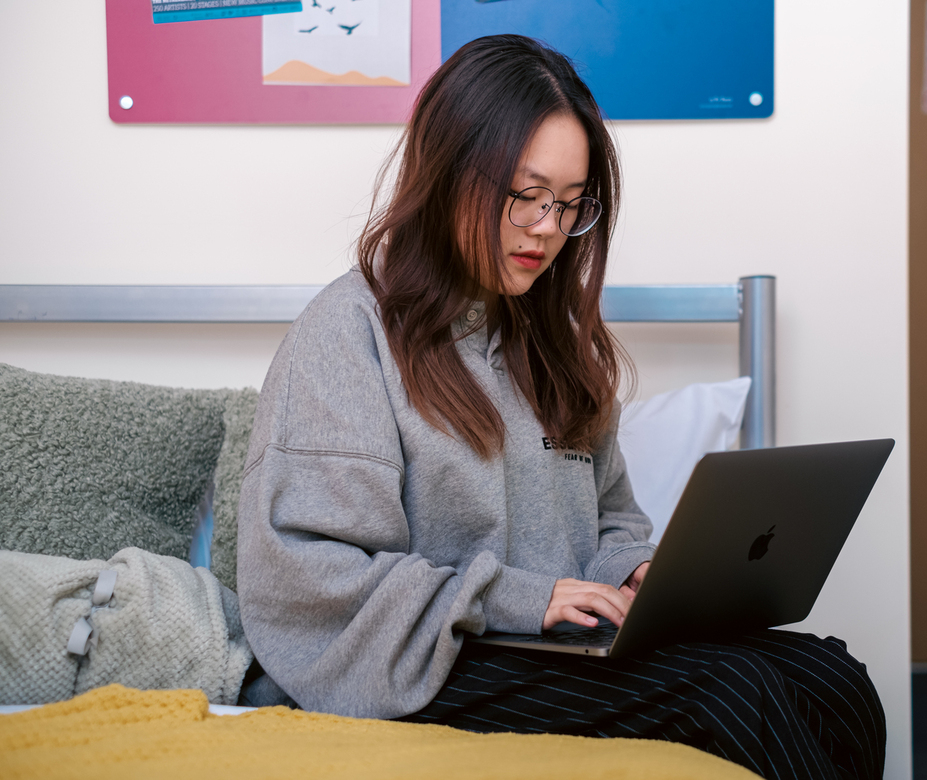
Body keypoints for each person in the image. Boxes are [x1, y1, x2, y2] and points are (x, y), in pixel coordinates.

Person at [236, 34, 886, 780]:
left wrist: (637, 571)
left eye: (569, 205)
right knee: (734, 697)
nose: (547, 228)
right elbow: (309, 580)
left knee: (834, 678)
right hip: (412, 662)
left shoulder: (550, 336)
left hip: (543, 641)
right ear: (449, 171)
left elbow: (611, 517)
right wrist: (524, 596)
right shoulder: (347, 335)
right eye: (526, 194)